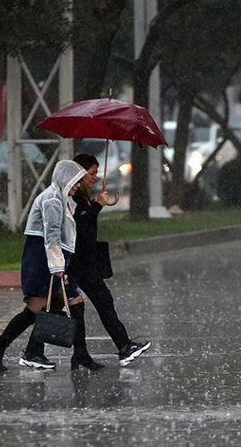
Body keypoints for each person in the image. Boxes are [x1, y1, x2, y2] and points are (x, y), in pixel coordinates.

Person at [0, 159, 88, 371]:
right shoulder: (52, 200)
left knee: (51, 306)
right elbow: (52, 236)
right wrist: (59, 269)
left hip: (48, 259)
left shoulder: (61, 199)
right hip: (43, 260)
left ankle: (25, 350)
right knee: (37, 308)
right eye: (76, 181)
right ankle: (11, 348)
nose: (78, 186)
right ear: (65, 179)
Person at [69, 153, 151, 367]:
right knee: (50, 308)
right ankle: (122, 347)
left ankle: (89, 353)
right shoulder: (74, 197)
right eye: (92, 172)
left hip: (85, 262)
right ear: (79, 172)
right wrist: (96, 206)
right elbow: (79, 229)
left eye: (97, 172)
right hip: (78, 263)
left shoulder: (83, 195)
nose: (95, 177)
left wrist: (96, 204)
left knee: (93, 305)